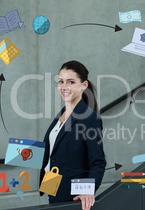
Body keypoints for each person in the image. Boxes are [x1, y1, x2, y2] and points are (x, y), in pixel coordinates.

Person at [40, 60, 107, 210]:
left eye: (70, 82)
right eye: (61, 81)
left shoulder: (89, 118)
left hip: (73, 195)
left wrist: (87, 191)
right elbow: (55, 150)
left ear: (84, 85)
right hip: (53, 186)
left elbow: (98, 162)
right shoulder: (61, 114)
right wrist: (20, 153)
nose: (64, 87)